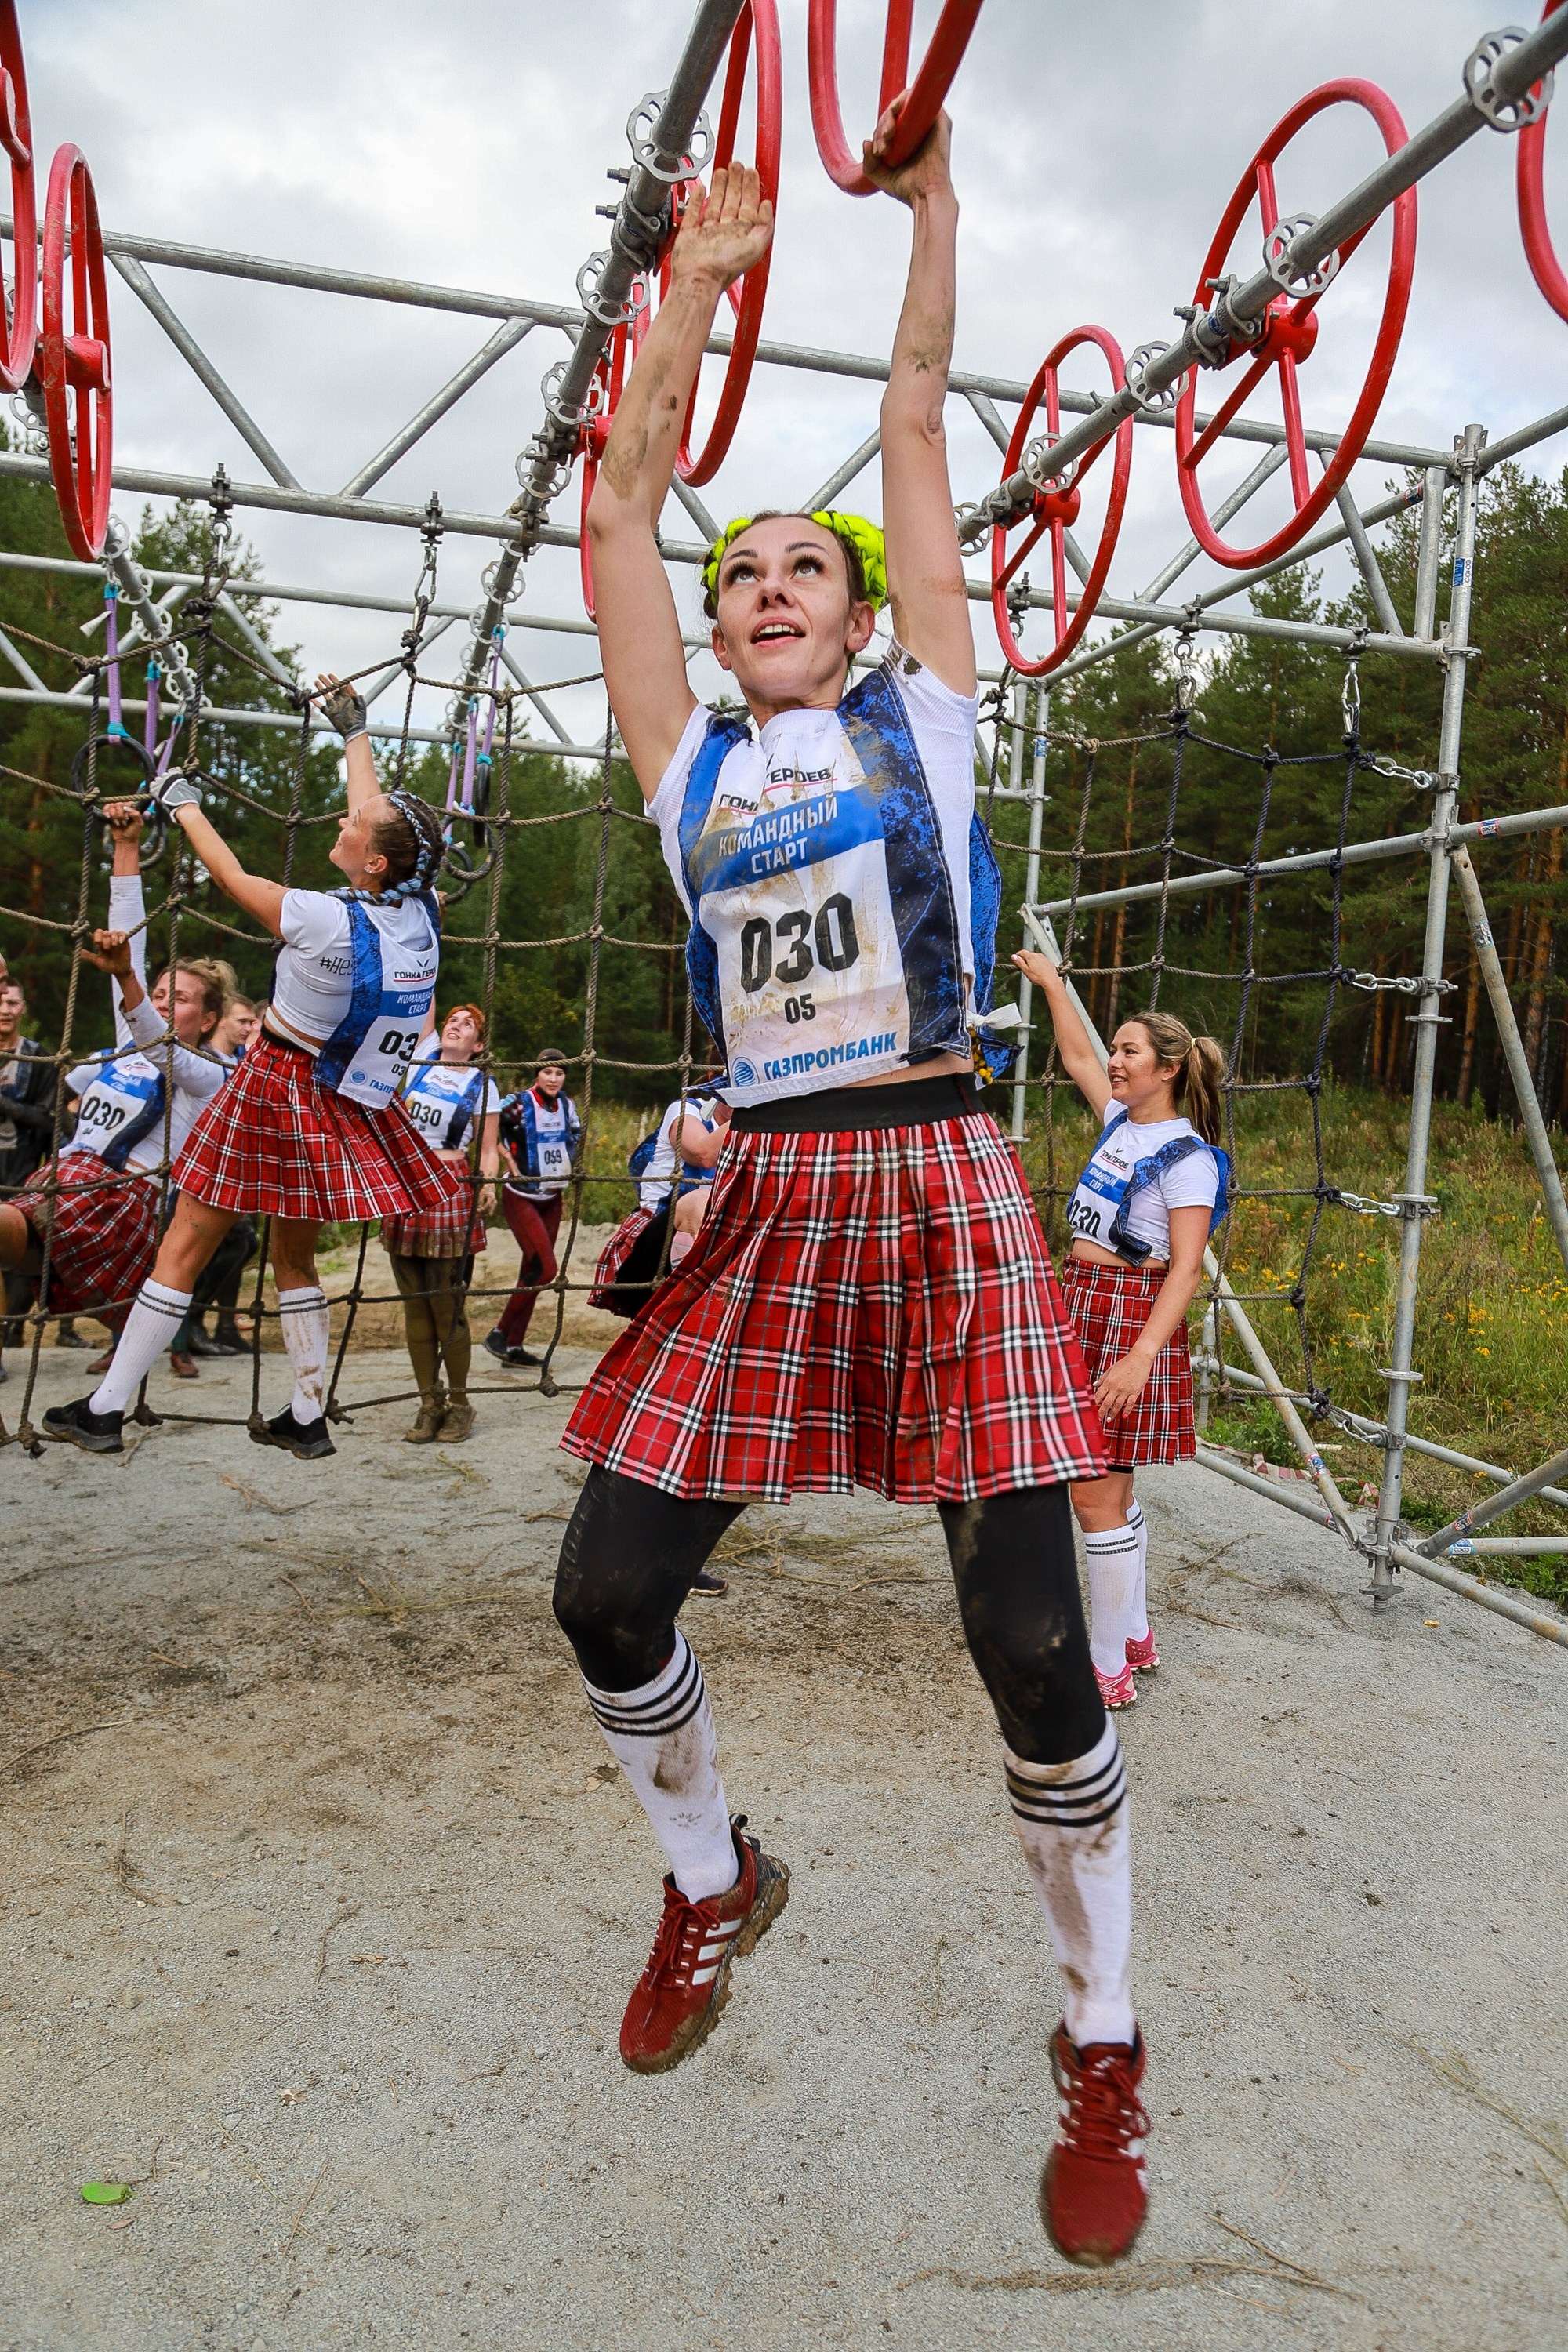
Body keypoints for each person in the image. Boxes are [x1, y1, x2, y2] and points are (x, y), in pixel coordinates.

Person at [550, 110, 1146, 2269]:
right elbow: (617, 504)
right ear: (715, 638)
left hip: (942, 1171)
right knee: (606, 1595)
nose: (770, 586)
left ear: (868, 610)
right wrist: (692, 288)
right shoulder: (685, 762)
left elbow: (913, 413)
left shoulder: (941, 719)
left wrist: (937, 216)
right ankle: (716, 1886)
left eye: (806, 566)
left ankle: (1104, 2032)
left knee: (1024, 1644)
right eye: (743, 578)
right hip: (770, 1200)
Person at [41, 677, 465, 1461]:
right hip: (337, 1097)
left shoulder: (320, 914)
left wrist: (183, 803)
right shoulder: (420, 908)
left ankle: (104, 1409)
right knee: (294, 1254)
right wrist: (354, 735)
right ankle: (307, 1413)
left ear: (370, 859)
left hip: (273, 1083)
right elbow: (385, 826)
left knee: (186, 1244)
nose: (343, 817)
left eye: (352, 824)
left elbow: (235, 880)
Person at [1014, 949, 1227, 1711]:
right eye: (1115, 1049)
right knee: (1110, 1491)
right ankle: (1131, 1631)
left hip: (1129, 1319)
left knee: (1091, 1497)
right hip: (1081, 1301)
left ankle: (1104, 1663)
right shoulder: (1116, 1122)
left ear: (1166, 1067)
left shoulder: (1188, 1158)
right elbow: (1072, 1051)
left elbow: (1185, 1269)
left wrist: (1140, 1356)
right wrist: (1048, 984)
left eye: (1128, 1051)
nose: (1112, 1060)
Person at [0, 805, 228, 1374]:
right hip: (63, 1179)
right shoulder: (128, 1041)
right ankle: (135, 1342)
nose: (159, 1001)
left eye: (179, 998)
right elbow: (132, 949)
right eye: (157, 990)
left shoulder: (210, 1073)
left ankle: (151, 1343)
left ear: (207, 1019)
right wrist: (125, 847)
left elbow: (159, 1045)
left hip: (119, 1201)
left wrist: (127, 978)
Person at [384, 1000, 501, 1443]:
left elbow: (488, 1148)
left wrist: (487, 1184)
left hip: (450, 1184)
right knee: (413, 1301)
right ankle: (428, 1402)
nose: (457, 1026)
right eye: (453, 1020)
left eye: (468, 1024)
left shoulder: (483, 1085)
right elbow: (424, 1008)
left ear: (478, 1044)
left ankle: (459, 1403)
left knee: (445, 1302)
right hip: (405, 1180)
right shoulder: (419, 1062)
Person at [588, 1087, 730, 1318]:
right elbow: (702, 1153)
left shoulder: (759, 1137)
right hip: (650, 1246)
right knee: (697, 1202)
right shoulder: (687, 1110)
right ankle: (691, 1305)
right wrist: (756, 1111)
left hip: (709, 1242)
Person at [487, 1050, 581, 1369]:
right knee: (546, 1269)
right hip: (522, 1194)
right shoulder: (518, 1103)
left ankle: (513, 1346)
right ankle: (498, 1333)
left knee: (532, 1271)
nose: (553, 1079)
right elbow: (489, 1127)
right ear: (537, 1075)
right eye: (548, 1072)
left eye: (559, 1073)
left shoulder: (567, 1105)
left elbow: (575, 1137)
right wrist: (509, 1161)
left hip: (552, 1197)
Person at [0, 974, 58, 1381]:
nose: (5, 1009)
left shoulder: (39, 1059)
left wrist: (6, 1105)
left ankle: (9, 1339)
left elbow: (52, 1121)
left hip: (21, 1173)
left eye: (13, 1003)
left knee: (17, 1264)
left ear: (23, 1009)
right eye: (0, 1001)